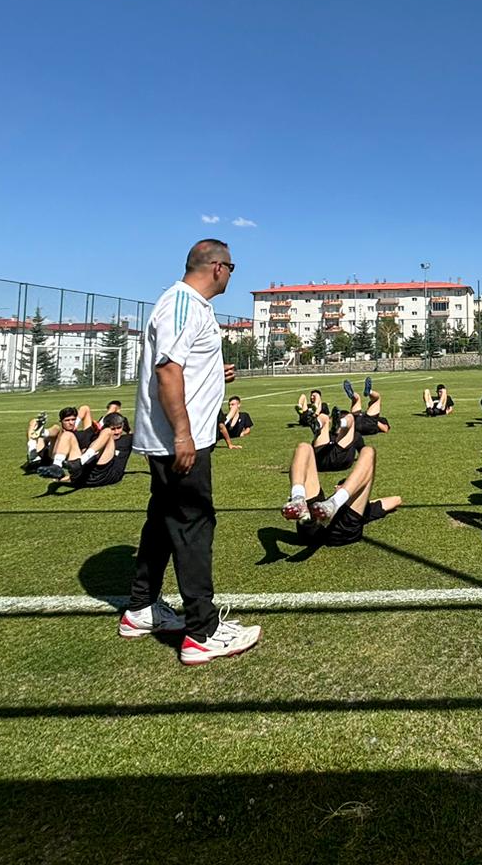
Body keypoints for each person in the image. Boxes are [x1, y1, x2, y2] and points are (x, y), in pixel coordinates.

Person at [119, 239, 261, 667]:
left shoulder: (194, 308)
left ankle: (141, 608)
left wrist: (217, 371)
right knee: (194, 523)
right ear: (217, 267)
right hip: (181, 443)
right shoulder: (182, 303)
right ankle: (202, 631)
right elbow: (167, 370)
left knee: (164, 521)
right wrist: (182, 435)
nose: (233, 275)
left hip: (180, 438)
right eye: (232, 267)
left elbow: (183, 364)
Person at [279, 422, 399, 546]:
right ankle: (298, 498)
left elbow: (396, 500)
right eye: (342, 485)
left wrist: (366, 506)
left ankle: (335, 502)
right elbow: (396, 500)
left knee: (369, 451)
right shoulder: (319, 506)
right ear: (336, 487)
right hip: (313, 524)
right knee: (304, 447)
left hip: (342, 530)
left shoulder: (362, 506)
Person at [281, 407, 366, 521]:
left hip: (333, 455)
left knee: (345, 417)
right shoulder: (334, 435)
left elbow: (363, 452)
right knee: (307, 442)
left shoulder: (355, 436)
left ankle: (336, 422)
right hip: (326, 457)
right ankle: (298, 498)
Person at [39, 412, 132, 488]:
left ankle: (80, 462)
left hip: (105, 475)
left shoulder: (128, 438)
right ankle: (57, 466)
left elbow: (145, 450)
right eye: (113, 429)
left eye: (119, 428)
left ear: (123, 426)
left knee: (106, 433)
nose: (116, 432)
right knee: (67, 434)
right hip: (82, 477)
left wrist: (128, 431)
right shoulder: (94, 435)